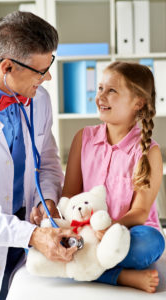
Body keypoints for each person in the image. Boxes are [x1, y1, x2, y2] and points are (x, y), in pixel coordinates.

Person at [0, 11, 78, 300]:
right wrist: (31, 236)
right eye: (41, 70)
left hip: (29, 239)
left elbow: (49, 161)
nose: (49, 76)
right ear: (7, 67)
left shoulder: (39, 99)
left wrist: (48, 199)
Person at [62, 61, 165, 293]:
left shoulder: (149, 152)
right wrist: (82, 229)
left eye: (112, 91)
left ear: (138, 102)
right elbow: (68, 195)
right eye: (100, 88)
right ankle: (119, 276)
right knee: (34, 246)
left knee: (151, 243)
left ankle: (87, 268)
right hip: (86, 231)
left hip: (127, 232)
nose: (101, 96)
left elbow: (139, 212)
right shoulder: (83, 138)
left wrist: (110, 230)